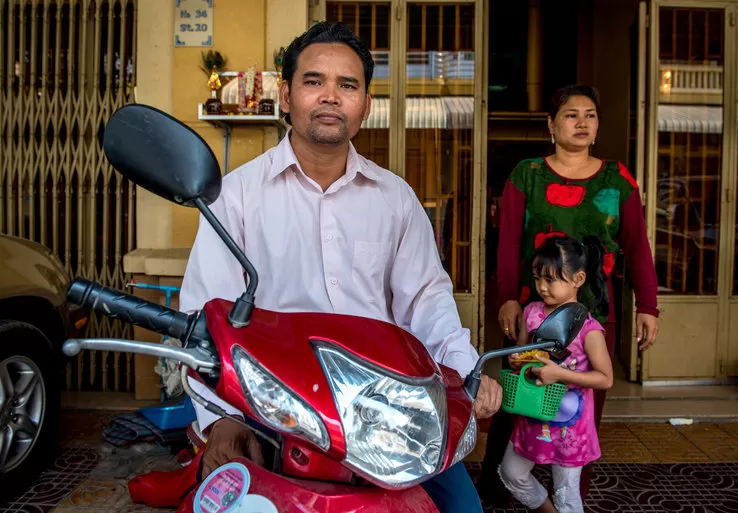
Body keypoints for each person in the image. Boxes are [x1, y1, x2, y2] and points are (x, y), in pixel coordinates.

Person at [178, 22, 502, 513]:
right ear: (285, 95)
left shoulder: (395, 199)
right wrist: (223, 418)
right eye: (314, 82)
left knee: (462, 509)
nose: (330, 96)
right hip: (274, 408)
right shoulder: (237, 197)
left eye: (347, 85)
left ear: (366, 105)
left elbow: (427, 301)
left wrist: (463, 374)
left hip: (384, 409)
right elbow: (207, 313)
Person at [479, 84, 659, 501]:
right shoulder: (528, 174)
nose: (582, 122)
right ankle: (499, 486)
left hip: (596, 311)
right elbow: (507, 243)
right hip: (534, 308)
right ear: (551, 125)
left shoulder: (618, 179)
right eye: (571, 114)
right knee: (520, 394)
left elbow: (638, 245)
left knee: (584, 408)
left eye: (590, 115)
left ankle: (571, 494)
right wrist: (509, 297)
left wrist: (647, 304)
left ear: (597, 126)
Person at [498, 235, 613, 513]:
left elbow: (605, 378)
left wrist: (559, 375)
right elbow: (522, 356)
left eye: (550, 279)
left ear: (578, 278)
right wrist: (517, 360)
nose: (541, 287)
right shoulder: (532, 312)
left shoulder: (588, 327)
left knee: (566, 493)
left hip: (570, 426)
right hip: (532, 415)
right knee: (511, 473)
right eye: (538, 278)